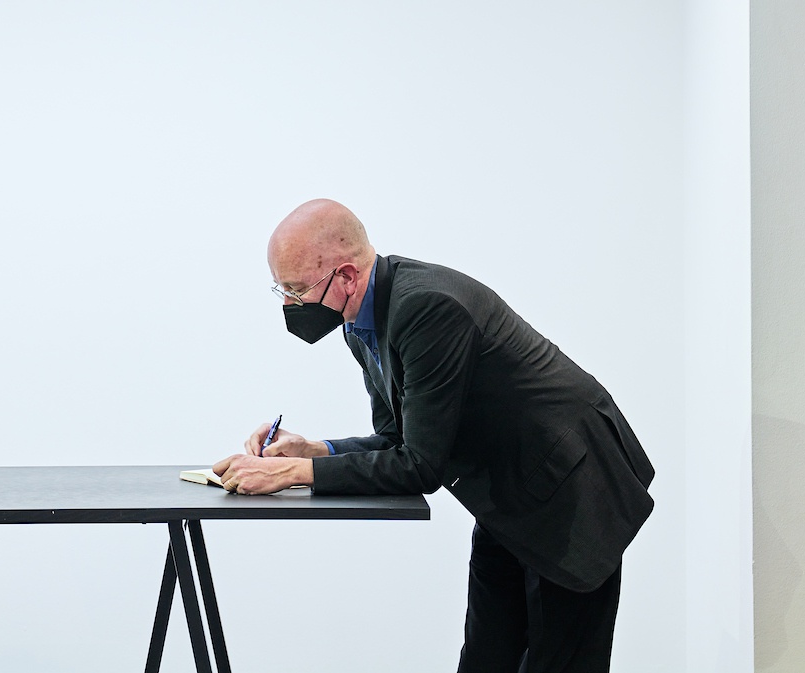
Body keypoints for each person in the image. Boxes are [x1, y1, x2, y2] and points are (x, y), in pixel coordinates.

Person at [213, 199, 654, 673]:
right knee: (485, 658)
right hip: (508, 495)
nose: (288, 305)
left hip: (572, 489)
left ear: (346, 277)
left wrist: (292, 474)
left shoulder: (427, 308)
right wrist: (316, 451)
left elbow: (420, 467)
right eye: (281, 289)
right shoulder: (359, 324)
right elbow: (397, 440)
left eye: (297, 290)